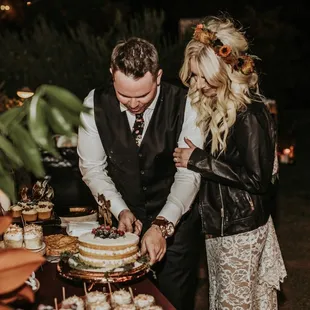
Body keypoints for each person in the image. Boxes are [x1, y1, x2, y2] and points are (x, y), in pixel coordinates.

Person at [77, 37, 203, 310]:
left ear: (158, 76)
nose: (134, 104)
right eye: (124, 95)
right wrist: (120, 210)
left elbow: (189, 173)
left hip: (176, 225)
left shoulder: (187, 103)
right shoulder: (93, 104)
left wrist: (162, 224)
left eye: (143, 95)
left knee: (173, 303)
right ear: (112, 74)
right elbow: (92, 169)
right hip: (121, 229)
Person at [173, 16, 287, 309]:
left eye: (202, 76)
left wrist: (198, 160)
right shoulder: (224, 106)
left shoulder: (250, 114)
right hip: (223, 225)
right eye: (194, 76)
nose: (196, 85)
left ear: (224, 70)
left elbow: (257, 179)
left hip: (241, 230)